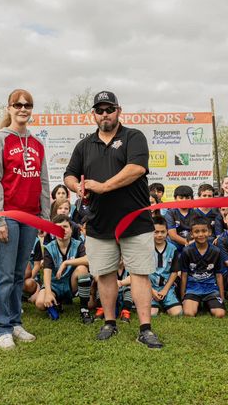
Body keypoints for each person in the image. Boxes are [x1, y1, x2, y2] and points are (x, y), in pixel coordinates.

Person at [64, 90, 162, 349]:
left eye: (109, 109)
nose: (105, 114)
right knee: (105, 274)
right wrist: (77, 187)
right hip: (99, 221)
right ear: (93, 114)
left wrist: (105, 186)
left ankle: (145, 328)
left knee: (140, 273)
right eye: (100, 110)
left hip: (134, 220)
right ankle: (110, 322)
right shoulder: (84, 145)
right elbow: (70, 174)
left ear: (119, 110)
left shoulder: (133, 137)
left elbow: (137, 168)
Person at [0, 88, 49, 350]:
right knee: (3, 273)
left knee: (17, 275)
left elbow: (43, 182)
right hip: (7, 216)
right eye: (18, 104)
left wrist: (44, 218)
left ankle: (15, 322)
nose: (23, 108)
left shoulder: (37, 144)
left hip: (30, 217)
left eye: (28, 105)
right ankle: (2, 328)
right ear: (9, 108)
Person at [34, 214, 92, 323]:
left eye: (65, 226)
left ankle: (84, 309)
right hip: (54, 284)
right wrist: (48, 292)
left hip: (70, 284)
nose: (62, 230)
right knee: (40, 303)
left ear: (71, 229)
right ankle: (57, 303)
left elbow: (89, 260)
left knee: (82, 269)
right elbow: (46, 271)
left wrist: (66, 263)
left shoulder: (78, 244)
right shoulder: (49, 247)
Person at [180, 217, 225, 318]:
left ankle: (206, 302)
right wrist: (183, 296)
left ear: (209, 232)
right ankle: (197, 302)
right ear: (191, 234)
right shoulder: (187, 251)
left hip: (210, 288)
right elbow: (184, 274)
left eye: (204, 231)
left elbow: (218, 275)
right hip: (193, 288)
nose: (200, 234)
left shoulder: (216, 251)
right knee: (188, 313)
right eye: (197, 232)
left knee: (220, 314)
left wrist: (222, 296)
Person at [150, 216, 182, 317]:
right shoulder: (145, 249)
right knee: (151, 314)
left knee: (177, 313)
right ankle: (156, 304)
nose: (159, 235)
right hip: (150, 288)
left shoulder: (173, 249)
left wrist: (165, 290)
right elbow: (142, 273)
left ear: (167, 231)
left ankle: (165, 301)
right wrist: (151, 290)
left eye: (162, 232)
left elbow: (174, 272)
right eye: (156, 232)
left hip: (167, 287)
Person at [165, 185, 200, 252]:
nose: (184, 200)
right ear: (175, 198)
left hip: (192, 242)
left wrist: (192, 242)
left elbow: (198, 231)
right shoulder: (170, 213)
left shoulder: (196, 213)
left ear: (192, 199)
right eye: (181, 198)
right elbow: (173, 235)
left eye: (187, 198)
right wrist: (187, 243)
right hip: (175, 243)